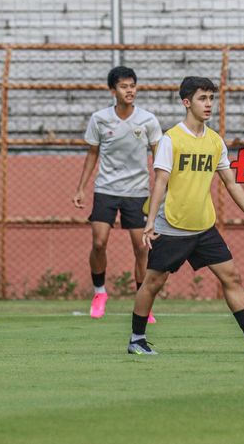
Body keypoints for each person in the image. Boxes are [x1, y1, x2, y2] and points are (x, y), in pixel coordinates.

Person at [127, 76, 244, 355]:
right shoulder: (171, 139)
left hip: (203, 226)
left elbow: (231, 182)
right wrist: (150, 222)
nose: (209, 104)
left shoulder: (215, 141)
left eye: (211, 98)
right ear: (186, 102)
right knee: (153, 283)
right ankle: (136, 340)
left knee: (231, 277)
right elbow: (160, 182)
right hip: (172, 225)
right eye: (203, 98)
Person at [73, 66, 161, 322]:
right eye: (123, 86)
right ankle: (99, 292)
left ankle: (143, 303)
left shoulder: (148, 120)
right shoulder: (99, 119)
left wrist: (163, 188)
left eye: (132, 85)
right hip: (106, 189)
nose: (129, 90)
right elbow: (92, 154)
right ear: (113, 91)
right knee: (99, 242)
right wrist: (81, 188)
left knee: (141, 248)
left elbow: (159, 156)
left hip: (138, 192)